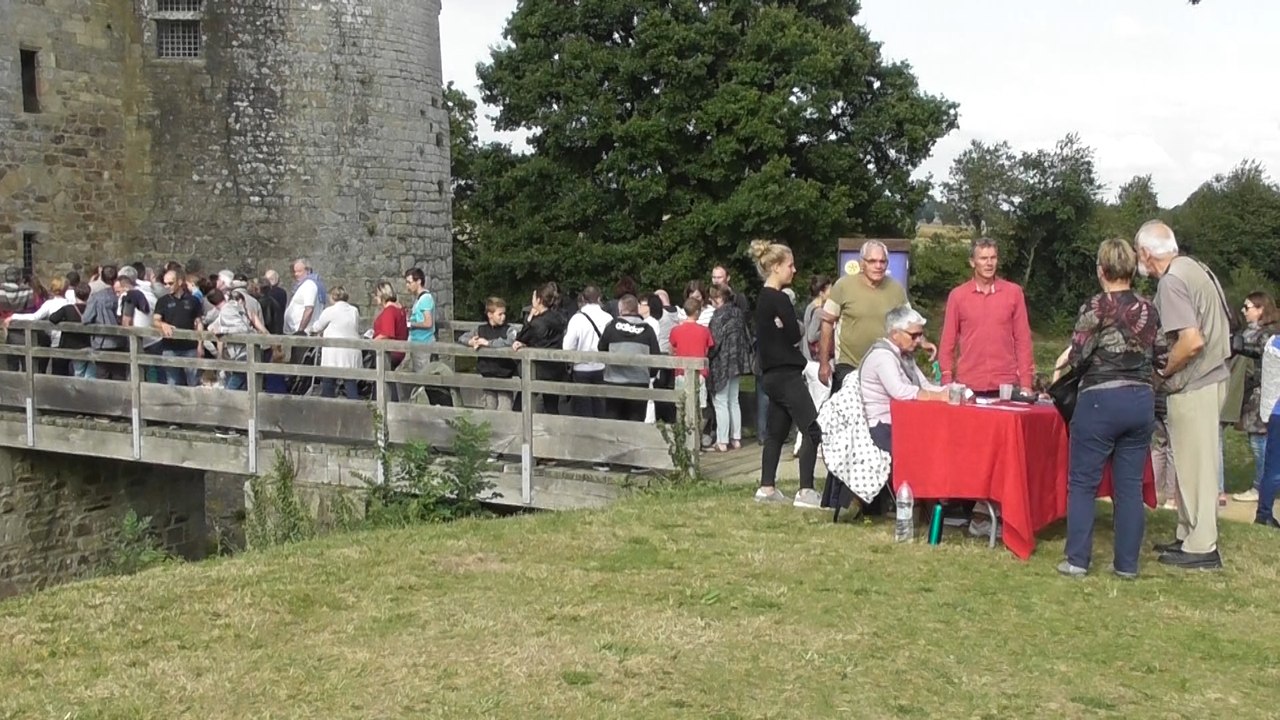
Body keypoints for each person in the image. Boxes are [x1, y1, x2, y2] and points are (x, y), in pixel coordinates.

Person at [1056, 239, 1167, 579]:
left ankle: (1077, 559)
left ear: (1101, 270)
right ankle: (1127, 565)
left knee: (1084, 483)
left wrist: (1062, 365)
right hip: (1139, 400)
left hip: (1100, 399)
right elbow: (1161, 357)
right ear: (1132, 269)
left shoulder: (1096, 307)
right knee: (1129, 486)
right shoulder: (1149, 309)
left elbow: (1079, 355)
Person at [1136, 220, 1230, 570]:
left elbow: (1191, 341)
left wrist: (1163, 372)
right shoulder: (1193, 267)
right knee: (1193, 464)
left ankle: (1202, 545)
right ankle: (1188, 533)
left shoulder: (1172, 282)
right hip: (1213, 377)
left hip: (1195, 384)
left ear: (1146, 252)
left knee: (1196, 467)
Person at [751, 239, 822, 508]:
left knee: (776, 432)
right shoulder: (779, 298)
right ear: (776, 267)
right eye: (790, 265)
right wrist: (791, 326)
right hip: (787, 374)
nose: (795, 270)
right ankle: (806, 490)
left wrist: (786, 326)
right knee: (812, 427)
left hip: (769, 375)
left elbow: (785, 331)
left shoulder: (762, 299)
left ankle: (767, 487)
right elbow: (795, 333)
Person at [937, 238, 1035, 396]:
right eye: (983, 258)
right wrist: (947, 380)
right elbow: (948, 341)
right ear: (972, 262)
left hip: (1005, 385)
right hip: (968, 384)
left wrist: (1026, 384)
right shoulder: (958, 296)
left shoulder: (1014, 293)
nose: (989, 263)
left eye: (993, 258)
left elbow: (1023, 340)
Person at [1229, 292, 1280, 503]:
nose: (1243, 310)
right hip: (1257, 392)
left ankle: (1261, 486)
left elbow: (1260, 353)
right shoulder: (1258, 332)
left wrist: (1238, 345)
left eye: (1247, 306)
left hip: (1262, 394)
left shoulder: (1267, 335)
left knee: (1260, 440)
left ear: (1260, 309)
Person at [597, 294, 661, 422]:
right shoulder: (648, 329)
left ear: (620, 310)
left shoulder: (611, 326)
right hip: (639, 382)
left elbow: (601, 348)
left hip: (614, 382)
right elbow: (656, 358)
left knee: (613, 423)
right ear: (637, 310)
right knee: (635, 424)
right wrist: (648, 375)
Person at [708, 284, 753, 452]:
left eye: (712, 299)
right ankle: (736, 439)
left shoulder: (719, 317)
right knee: (734, 401)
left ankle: (722, 441)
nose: (711, 302)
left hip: (722, 363)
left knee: (721, 402)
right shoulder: (738, 313)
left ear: (719, 299)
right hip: (738, 361)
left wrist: (707, 355)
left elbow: (714, 343)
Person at [512, 282, 569, 415]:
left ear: (538, 300)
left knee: (520, 406)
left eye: (533, 298)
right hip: (554, 369)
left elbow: (521, 338)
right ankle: (553, 433)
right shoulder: (559, 318)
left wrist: (529, 319)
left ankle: (519, 433)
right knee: (551, 407)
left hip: (537, 369)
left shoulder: (537, 323)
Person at [562, 285, 612, 418]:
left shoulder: (577, 319)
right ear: (600, 298)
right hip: (603, 369)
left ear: (583, 299)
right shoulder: (608, 318)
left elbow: (567, 347)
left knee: (583, 412)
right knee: (601, 411)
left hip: (581, 369)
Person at [459, 297, 519, 410]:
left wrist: (488, 343)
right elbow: (462, 337)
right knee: (489, 407)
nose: (503, 317)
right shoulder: (481, 329)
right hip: (487, 374)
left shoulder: (509, 329)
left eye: (504, 314)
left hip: (504, 375)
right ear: (490, 315)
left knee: (505, 408)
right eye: (500, 314)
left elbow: (509, 341)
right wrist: (471, 342)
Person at [796, 274, 832, 456]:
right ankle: (813, 443)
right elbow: (811, 336)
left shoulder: (809, 308)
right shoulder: (819, 311)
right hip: (816, 362)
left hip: (808, 361)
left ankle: (800, 442)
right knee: (820, 403)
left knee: (811, 403)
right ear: (823, 290)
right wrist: (828, 330)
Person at [153, 268, 205, 388]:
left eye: (170, 283)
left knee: (194, 381)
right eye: (165, 283)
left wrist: (200, 345)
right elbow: (155, 320)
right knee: (172, 382)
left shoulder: (193, 300)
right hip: (170, 346)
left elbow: (199, 323)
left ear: (180, 282)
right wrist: (163, 325)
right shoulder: (162, 301)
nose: (167, 286)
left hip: (190, 347)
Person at [669, 296, 715, 432]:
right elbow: (707, 349)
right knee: (700, 408)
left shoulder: (676, 330)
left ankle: (681, 437)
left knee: (681, 406)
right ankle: (696, 436)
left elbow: (671, 350)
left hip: (680, 373)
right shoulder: (704, 331)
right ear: (697, 312)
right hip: (699, 374)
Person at [308, 286, 362, 399]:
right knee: (350, 383)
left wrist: (310, 330)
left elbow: (317, 327)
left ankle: (327, 408)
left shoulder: (330, 311)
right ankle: (356, 408)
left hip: (334, 352)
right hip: (351, 351)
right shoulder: (354, 310)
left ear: (332, 297)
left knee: (328, 381)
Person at [399, 267, 435, 401]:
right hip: (416, 342)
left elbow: (428, 323)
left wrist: (410, 324)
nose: (407, 286)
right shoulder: (419, 299)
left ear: (418, 281)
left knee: (422, 377)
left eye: (409, 282)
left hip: (423, 343)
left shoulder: (425, 298)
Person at [371, 282, 408, 402]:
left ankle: (383, 406)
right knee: (388, 379)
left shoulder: (389, 311)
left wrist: (371, 342)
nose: (375, 298)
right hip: (399, 350)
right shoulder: (399, 309)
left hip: (389, 351)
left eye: (376, 295)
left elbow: (387, 333)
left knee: (382, 380)